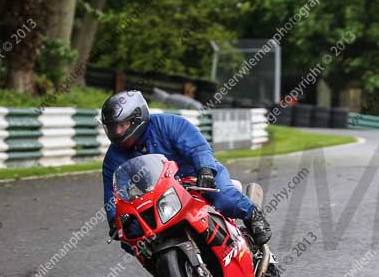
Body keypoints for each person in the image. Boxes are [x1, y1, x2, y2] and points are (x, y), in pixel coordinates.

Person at [100, 90, 272, 246]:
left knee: (225, 198)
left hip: (196, 179)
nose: (118, 132)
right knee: (132, 236)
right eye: (113, 127)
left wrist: (205, 169)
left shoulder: (170, 124)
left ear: (137, 118)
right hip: (159, 197)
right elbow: (112, 191)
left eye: (122, 125)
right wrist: (114, 219)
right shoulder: (113, 157)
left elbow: (198, 148)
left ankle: (253, 215)